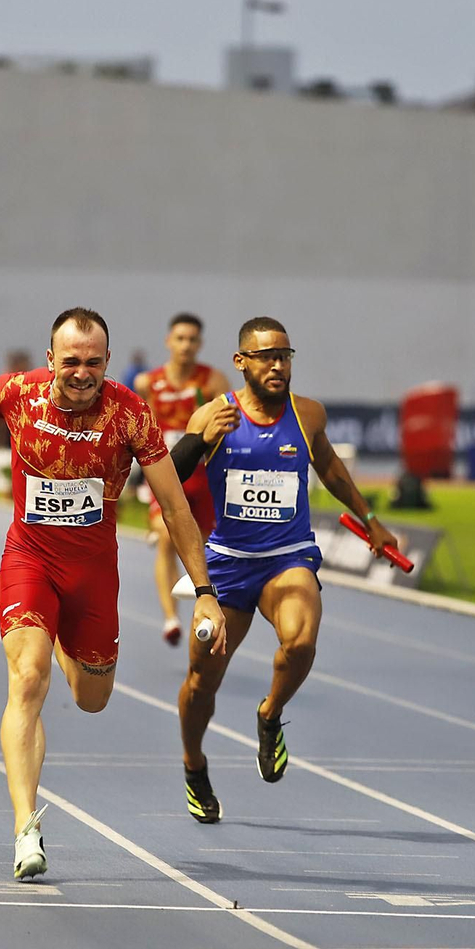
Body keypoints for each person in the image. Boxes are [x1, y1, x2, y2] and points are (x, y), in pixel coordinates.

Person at [0, 308, 226, 879]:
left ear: (108, 360)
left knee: (91, 698)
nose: (82, 373)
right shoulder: (20, 394)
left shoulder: (130, 414)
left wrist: (203, 591)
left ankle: (58, 636)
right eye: (71, 361)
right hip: (29, 560)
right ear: (51, 360)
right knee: (28, 678)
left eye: (93, 362)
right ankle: (26, 828)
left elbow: (175, 508)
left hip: (93, 575)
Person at [166, 316, 398, 823]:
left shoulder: (307, 414)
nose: (277, 366)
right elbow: (165, 477)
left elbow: (330, 467)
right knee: (201, 683)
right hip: (228, 565)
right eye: (266, 356)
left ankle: (270, 714)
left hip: (288, 557)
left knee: (300, 641)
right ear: (241, 362)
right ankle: (194, 764)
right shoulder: (214, 413)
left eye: (285, 356)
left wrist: (371, 520)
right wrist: (199, 439)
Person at [135, 313, 229, 645]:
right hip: (165, 473)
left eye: (192, 339)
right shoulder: (147, 383)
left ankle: (204, 609)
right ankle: (170, 618)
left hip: (202, 477)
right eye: (180, 338)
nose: (186, 345)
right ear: (169, 341)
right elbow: (141, 430)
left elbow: (227, 428)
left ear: (199, 344)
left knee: (202, 551)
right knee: (166, 538)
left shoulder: (212, 381)